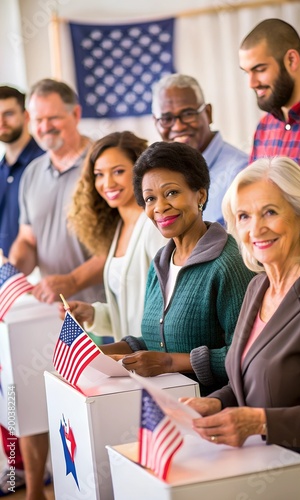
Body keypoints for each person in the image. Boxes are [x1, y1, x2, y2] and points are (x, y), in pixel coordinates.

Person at [181, 157, 300, 499]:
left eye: (270, 212)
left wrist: (259, 423)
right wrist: (217, 404)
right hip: (255, 479)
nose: (255, 229)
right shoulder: (257, 287)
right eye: (244, 216)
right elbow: (250, 382)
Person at [8, 78, 105, 500]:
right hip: (47, 309)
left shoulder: (101, 162)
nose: (44, 127)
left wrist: (71, 281)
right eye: (37, 119)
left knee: (89, 410)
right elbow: (29, 239)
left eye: (53, 118)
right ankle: (33, 493)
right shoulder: (32, 171)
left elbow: (116, 247)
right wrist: (12, 269)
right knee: (32, 403)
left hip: (99, 309)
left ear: (76, 115)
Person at [100, 141, 255, 396]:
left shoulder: (229, 263)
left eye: (171, 193)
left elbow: (247, 354)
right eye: (150, 198)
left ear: (201, 195)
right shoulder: (161, 262)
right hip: (163, 409)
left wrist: (169, 362)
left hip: (212, 414)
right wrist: (98, 353)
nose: (160, 207)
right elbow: (158, 343)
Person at [239, 18, 300, 267]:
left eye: (259, 69)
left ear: (292, 60)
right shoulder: (264, 128)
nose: (251, 83)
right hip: (271, 278)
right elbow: (249, 207)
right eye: (246, 72)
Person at [62, 131, 167, 341]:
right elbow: (129, 311)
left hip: (156, 361)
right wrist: (92, 314)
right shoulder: (120, 227)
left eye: (118, 171)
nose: (107, 183)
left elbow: (170, 307)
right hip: (132, 361)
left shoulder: (155, 227)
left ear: (140, 171)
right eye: (99, 174)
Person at [0, 86, 44, 496]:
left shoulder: (39, 165)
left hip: (38, 293)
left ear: (25, 116)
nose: (2, 122)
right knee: (11, 386)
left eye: (9, 113)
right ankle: (15, 472)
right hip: (9, 288)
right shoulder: (2, 167)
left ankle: (38, 478)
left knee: (32, 393)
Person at [151, 73, 248, 224]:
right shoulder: (161, 173)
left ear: (208, 113)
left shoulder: (241, 172)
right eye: (166, 119)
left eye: (188, 114)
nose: (178, 126)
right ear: (155, 122)